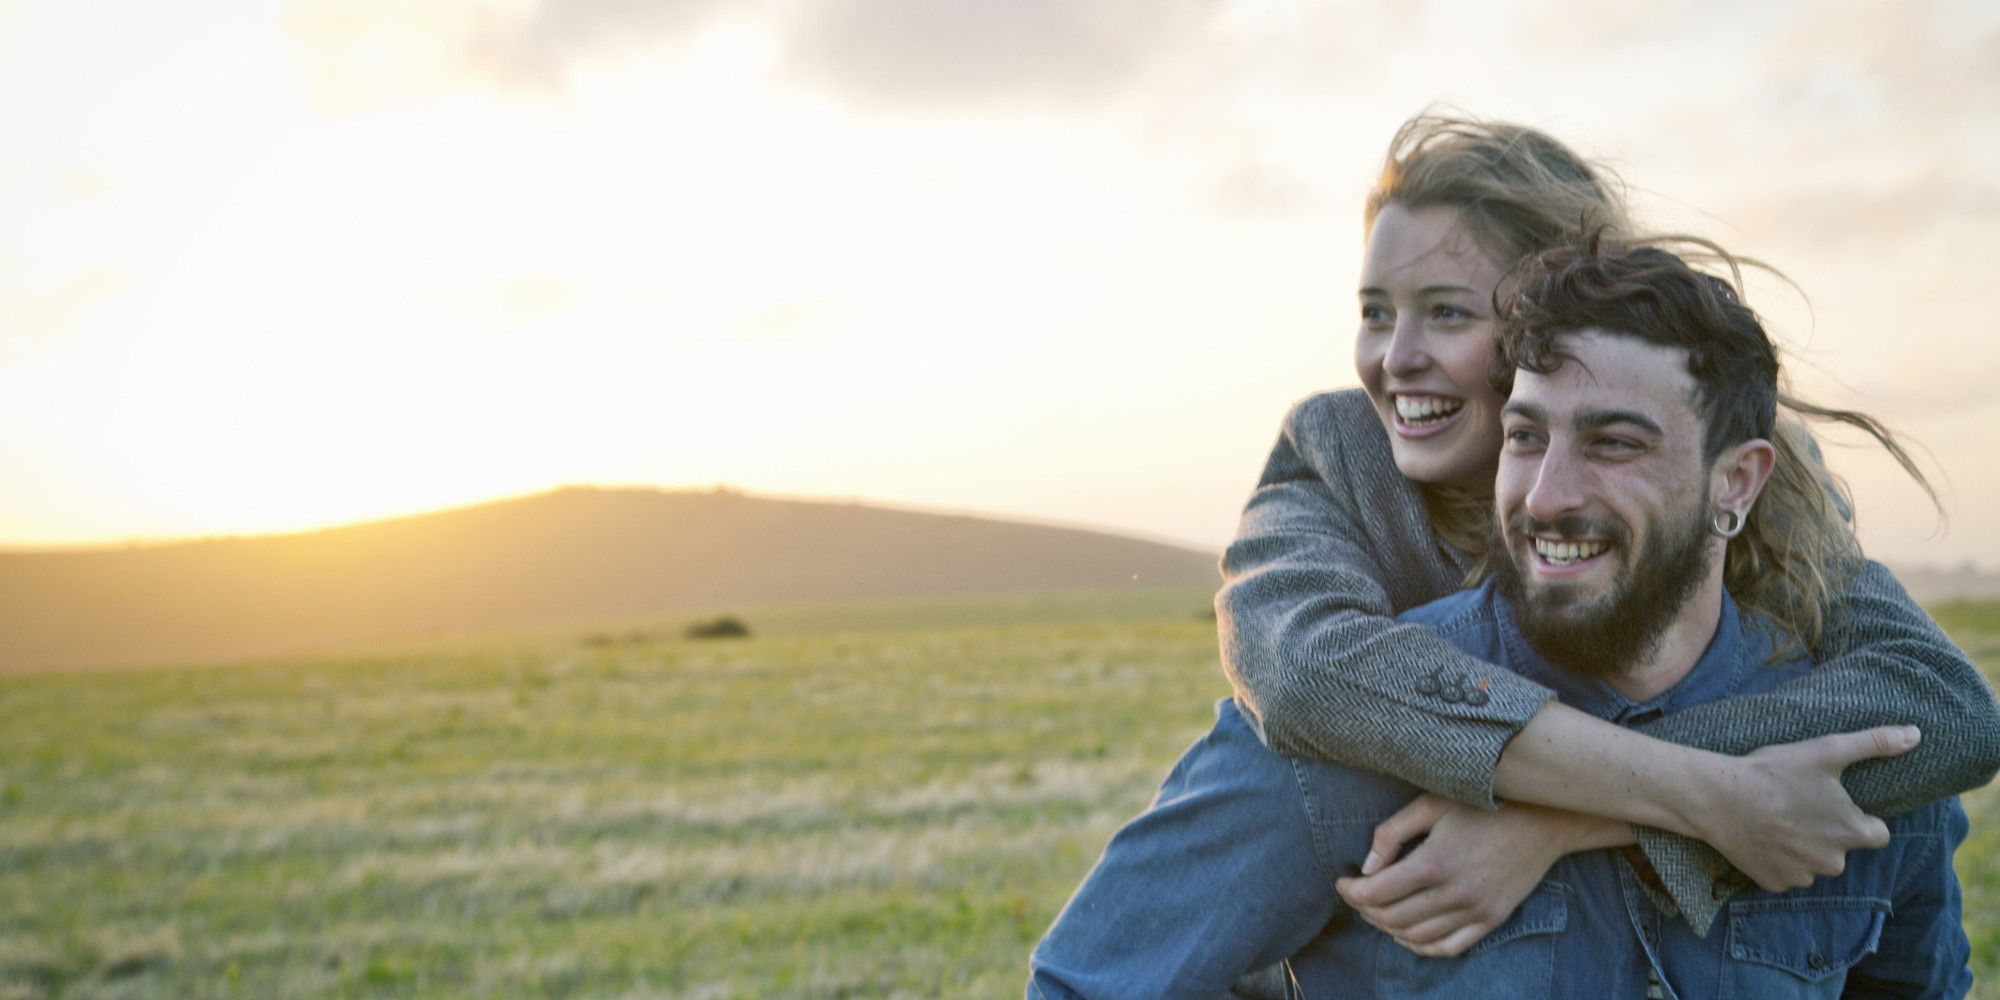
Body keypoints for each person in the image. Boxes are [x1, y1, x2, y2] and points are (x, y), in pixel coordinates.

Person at [1024, 240, 1972, 1000]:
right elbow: (1089, 981)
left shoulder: (1846, 746)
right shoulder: (1345, 747)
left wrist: (1562, 821)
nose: (1548, 496)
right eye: (1526, 436)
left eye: (1614, 443)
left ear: (1737, 481)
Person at [1213, 115, 2000, 949]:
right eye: (1375, 312)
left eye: (1447, 313)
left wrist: (1553, 824)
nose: (1397, 356)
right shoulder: (1341, 451)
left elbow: (1944, 712)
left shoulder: (1733, 474)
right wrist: (1706, 796)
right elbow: (1304, 672)